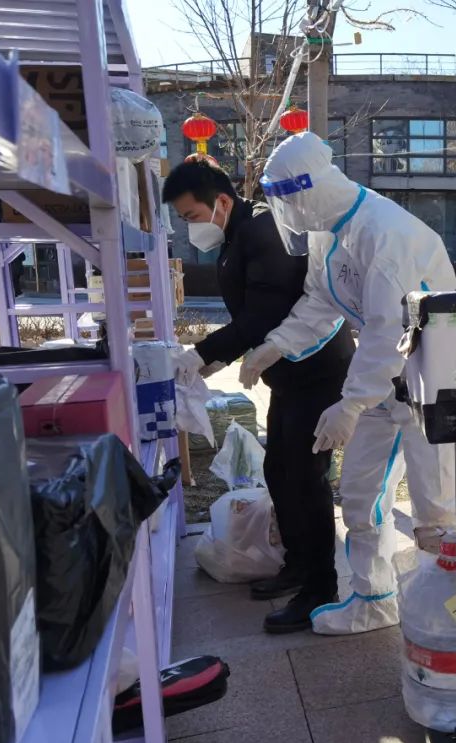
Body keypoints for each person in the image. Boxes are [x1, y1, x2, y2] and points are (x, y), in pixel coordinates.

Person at [238, 131, 456, 636]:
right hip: (383, 379)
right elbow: (320, 301)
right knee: (360, 495)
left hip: (428, 382)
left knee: (435, 511)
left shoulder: (386, 234)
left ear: (313, 187)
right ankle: (374, 600)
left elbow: (388, 328)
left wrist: (352, 403)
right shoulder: (328, 231)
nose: (290, 212)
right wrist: (276, 344)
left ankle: (448, 617)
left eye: (291, 199)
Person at [163, 158, 355, 634]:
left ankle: (320, 588)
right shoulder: (236, 235)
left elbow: (262, 316)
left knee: (305, 476)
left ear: (221, 202)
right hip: (289, 374)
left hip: (317, 370)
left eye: (191, 216)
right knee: (280, 470)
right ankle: (297, 564)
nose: (189, 227)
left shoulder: (263, 230)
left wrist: (202, 354)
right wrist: (213, 358)